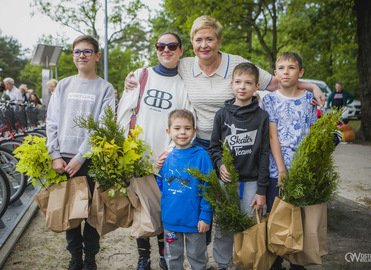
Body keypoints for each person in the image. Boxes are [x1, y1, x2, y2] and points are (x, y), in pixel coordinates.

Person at [125, 15, 325, 269]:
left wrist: (309, 87)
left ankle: (230, 260)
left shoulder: (237, 64)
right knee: (200, 202)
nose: (204, 45)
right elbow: (160, 67)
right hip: (198, 146)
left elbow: (275, 82)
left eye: (210, 38)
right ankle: (199, 257)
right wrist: (133, 79)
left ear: (219, 40)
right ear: (192, 43)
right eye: (199, 40)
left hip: (233, 148)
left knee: (228, 211)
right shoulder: (186, 64)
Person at [117, 32, 193, 270]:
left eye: (172, 46)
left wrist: (172, 150)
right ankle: (143, 257)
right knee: (139, 208)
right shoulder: (141, 75)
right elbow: (124, 111)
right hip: (137, 155)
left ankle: (163, 253)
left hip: (165, 158)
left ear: (181, 50)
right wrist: (121, 148)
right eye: (161, 46)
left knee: (162, 209)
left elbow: (188, 119)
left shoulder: (184, 83)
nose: (166, 50)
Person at [46, 35, 114, 270]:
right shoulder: (63, 85)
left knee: (92, 214)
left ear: (97, 56)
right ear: (73, 56)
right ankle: (75, 258)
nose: (81, 55)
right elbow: (52, 121)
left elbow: (103, 126)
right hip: (63, 159)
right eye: (77, 51)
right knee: (70, 213)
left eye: (87, 51)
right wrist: (55, 154)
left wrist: (81, 156)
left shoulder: (105, 88)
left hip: (90, 160)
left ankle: (91, 259)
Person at [208, 62, 270, 269]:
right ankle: (223, 264)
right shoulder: (222, 115)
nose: (242, 86)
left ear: (256, 86)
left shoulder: (262, 117)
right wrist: (219, 164)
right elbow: (214, 147)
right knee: (224, 226)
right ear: (232, 84)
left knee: (249, 226)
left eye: (248, 83)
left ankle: (245, 262)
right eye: (238, 82)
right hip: (227, 182)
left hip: (251, 183)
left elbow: (264, 155)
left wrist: (261, 190)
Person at [262, 52, 317, 270]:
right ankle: (275, 259)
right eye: (282, 68)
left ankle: (296, 260)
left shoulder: (307, 99)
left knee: (299, 215)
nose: (286, 72)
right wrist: (282, 169)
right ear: (275, 73)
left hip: (302, 166)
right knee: (276, 213)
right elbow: (272, 136)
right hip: (277, 167)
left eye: (291, 67)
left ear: (300, 72)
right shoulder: (269, 99)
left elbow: (311, 133)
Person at [158, 109, 213, 270]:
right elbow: (165, 186)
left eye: (187, 128)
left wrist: (205, 216)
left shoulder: (201, 156)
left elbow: (208, 188)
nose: (182, 132)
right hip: (171, 221)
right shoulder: (167, 157)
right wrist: (160, 168)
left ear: (194, 131)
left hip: (195, 222)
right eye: (177, 128)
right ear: (169, 132)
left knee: (197, 258)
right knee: (172, 258)